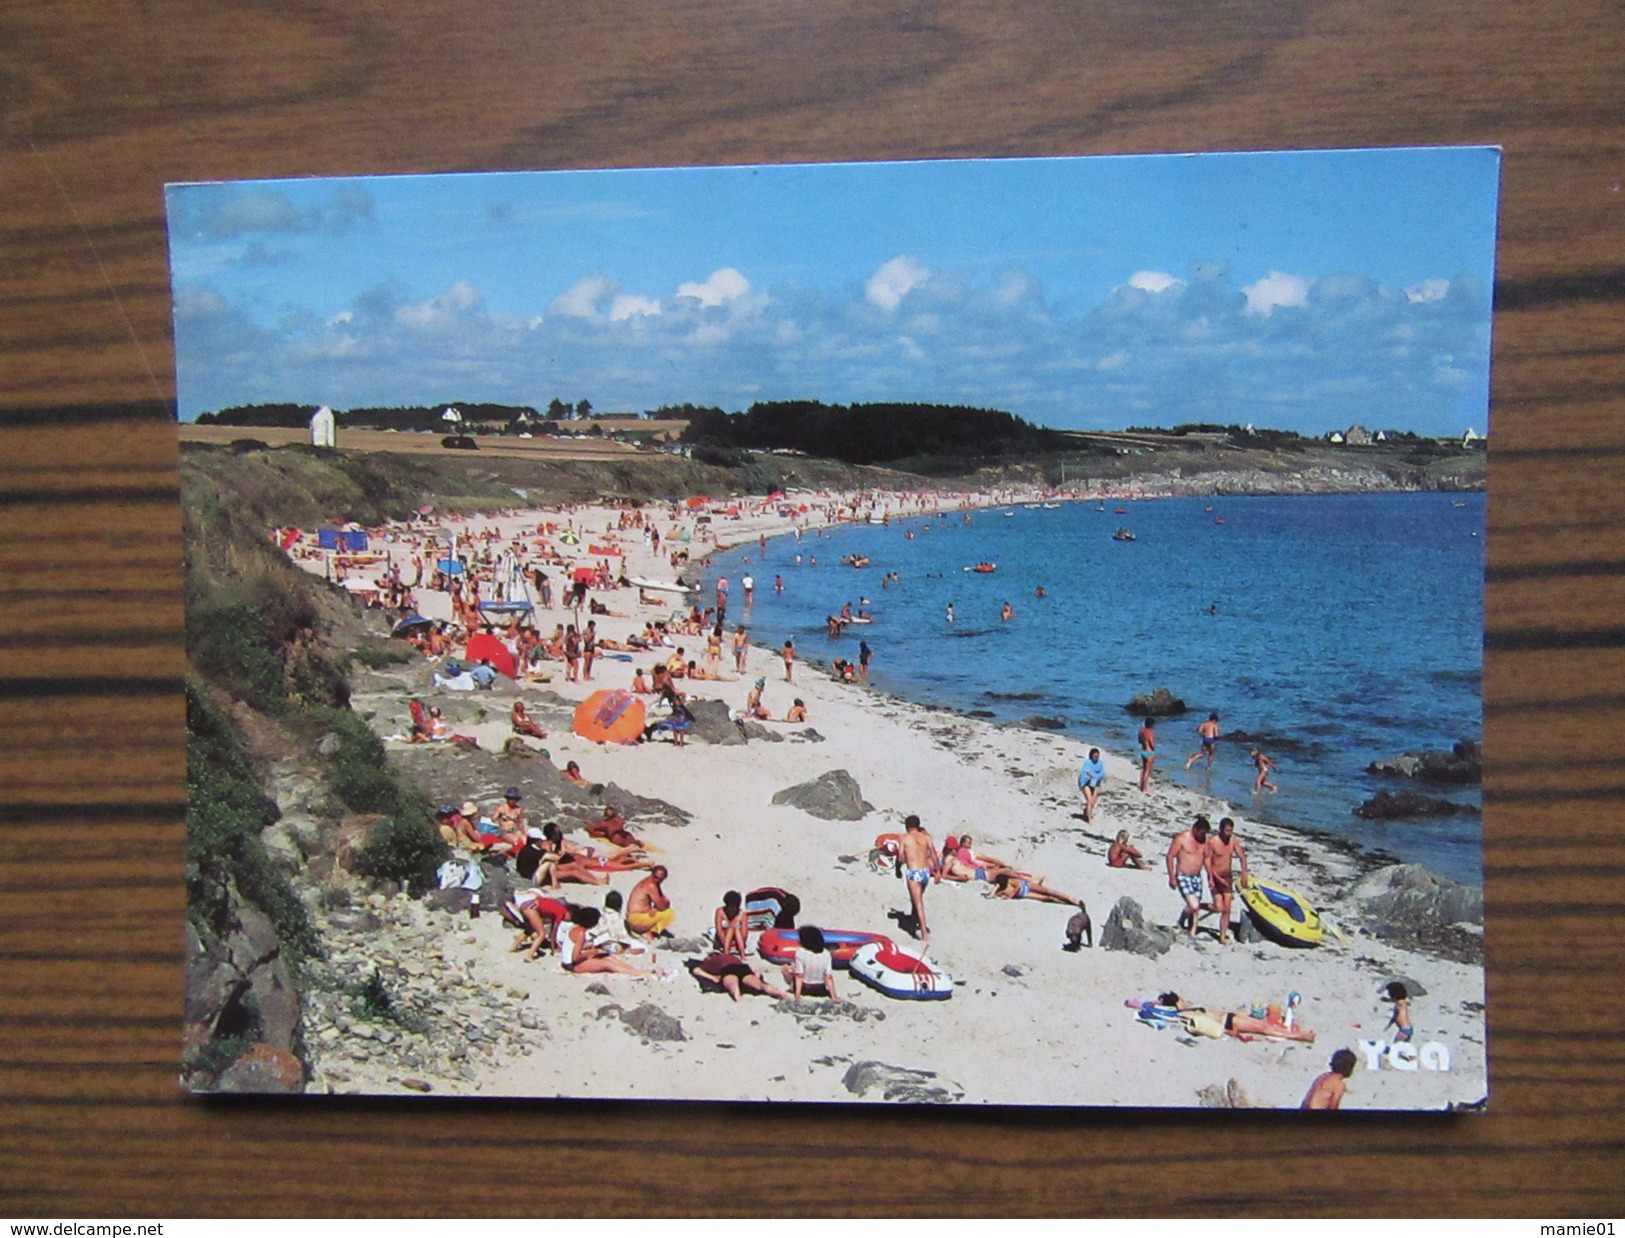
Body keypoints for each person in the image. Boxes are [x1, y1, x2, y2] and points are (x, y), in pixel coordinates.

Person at [556, 906, 659, 977]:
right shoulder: (580, 933)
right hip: (571, 965)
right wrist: (594, 952)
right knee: (606, 963)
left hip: (572, 961)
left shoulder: (576, 928)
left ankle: (635, 970)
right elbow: (575, 957)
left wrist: (592, 950)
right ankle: (638, 973)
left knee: (608, 957)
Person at [1204, 816, 1250, 945]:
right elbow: (1207, 861)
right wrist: (1213, 878)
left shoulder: (1233, 840)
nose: (1228, 834)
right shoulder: (1213, 842)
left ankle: (1222, 936)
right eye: (1226, 831)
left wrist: (1244, 874)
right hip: (1215, 876)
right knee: (1218, 907)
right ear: (1220, 829)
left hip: (1227, 877)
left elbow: (1242, 857)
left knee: (1227, 909)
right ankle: (1199, 907)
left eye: (1230, 831)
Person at [1165, 816, 1211, 937]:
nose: (1202, 836)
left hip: (1196, 877)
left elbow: (1206, 859)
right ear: (1195, 829)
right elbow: (1170, 856)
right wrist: (1171, 877)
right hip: (1183, 876)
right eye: (1201, 833)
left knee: (1194, 906)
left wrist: (1210, 877)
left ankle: (1187, 926)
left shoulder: (1204, 841)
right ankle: (1187, 927)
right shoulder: (1181, 838)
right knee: (1194, 906)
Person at [896, 814, 939, 943]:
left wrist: (897, 868)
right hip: (925, 872)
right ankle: (914, 920)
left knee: (918, 902)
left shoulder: (904, 838)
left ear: (907, 826)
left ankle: (923, 932)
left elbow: (900, 857)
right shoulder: (926, 837)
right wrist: (937, 872)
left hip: (913, 872)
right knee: (917, 898)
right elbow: (934, 853)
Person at [690, 952, 787, 1002]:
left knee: (732, 984)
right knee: (760, 985)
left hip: (727, 969)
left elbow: (696, 970)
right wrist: (756, 974)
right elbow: (752, 969)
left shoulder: (710, 961)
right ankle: (779, 993)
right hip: (742, 968)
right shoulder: (733, 957)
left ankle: (738, 998)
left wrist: (712, 977)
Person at [507, 886, 571, 961]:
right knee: (541, 934)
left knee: (530, 930)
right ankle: (529, 955)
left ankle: (513, 947)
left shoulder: (557, 908)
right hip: (531, 907)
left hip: (527, 904)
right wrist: (554, 948)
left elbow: (552, 930)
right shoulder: (561, 913)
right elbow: (554, 933)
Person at [781, 925, 839, 999]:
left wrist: (797, 996)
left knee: (785, 968)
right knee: (794, 966)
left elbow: (799, 975)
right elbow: (828, 977)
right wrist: (834, 996)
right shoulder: (826, 953)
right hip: (820, 988)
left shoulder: (800, 952)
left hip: (805, 987)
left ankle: (792, 987)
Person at [986, 871, 1084, 908]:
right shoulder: (1000, 889)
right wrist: (996, 888)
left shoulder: (1011, 881)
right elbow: (990, 896)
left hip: (1026, 886)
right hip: (1023, 894)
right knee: (1047, 898)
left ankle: (1072, 900)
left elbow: (1018, 886)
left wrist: (1010, 895)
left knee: (1050, 891)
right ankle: (1067, 903)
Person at [627, 865, 675, 938]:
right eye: (656, 877)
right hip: (636, 920)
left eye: (660, 879)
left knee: (662, 912)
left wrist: (656, 907)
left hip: (633, 918)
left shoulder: (651, 882)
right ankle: (651, 934)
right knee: (669, 914)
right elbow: (662, 905)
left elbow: (661, 901)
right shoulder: (651, 885)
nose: (657, 880)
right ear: (652, 874)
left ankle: (647, 931)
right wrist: (658, 906)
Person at [713, 890, 749, 955]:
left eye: (733, 907)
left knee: (735, 929)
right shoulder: (720, 912)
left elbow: (744, 935)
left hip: (737, 942)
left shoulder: (742, 915)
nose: (731, 909)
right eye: (729, 907)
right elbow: (719, 931)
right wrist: (726, 943)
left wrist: (734, 944)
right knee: (730, 930)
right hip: (722, 941)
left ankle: (742, 954)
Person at [1077, 747, 1106, 823]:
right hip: (1086, 783)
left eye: (1097, 756)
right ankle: (1089, 819)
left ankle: (1086, 811)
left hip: (1095, 783)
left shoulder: (1100, 763)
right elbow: (1085, 773)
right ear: (1091, 756)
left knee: (1093, 802)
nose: (1096, 758)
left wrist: (1096, 776)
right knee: (1089, 800)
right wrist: (1091, 775)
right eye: (1094, 756)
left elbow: (1102, 773)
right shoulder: (1087, 763)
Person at [1137, 717, 1157, 793]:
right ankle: (1144, 788)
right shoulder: (1150, 732)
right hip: (1149, 752)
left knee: (1144, 769)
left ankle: (1141, 786)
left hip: (1143, 750)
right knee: (1147, 771)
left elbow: (1139, 741)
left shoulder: (1141, 731)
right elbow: (1152, 744)